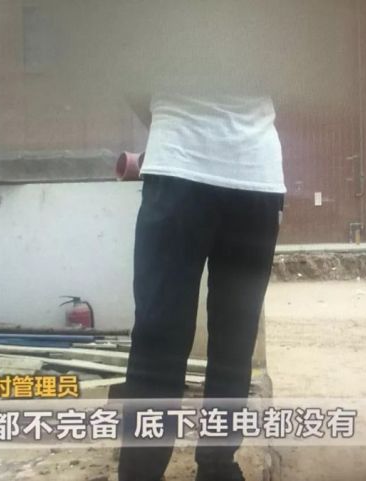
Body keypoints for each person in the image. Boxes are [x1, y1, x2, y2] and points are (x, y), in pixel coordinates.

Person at [117, 88, 286, 481]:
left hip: (235, 175)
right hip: (197, 168)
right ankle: (158, 471)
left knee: (216, 338)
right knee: (173, 338)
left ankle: (214, 465)